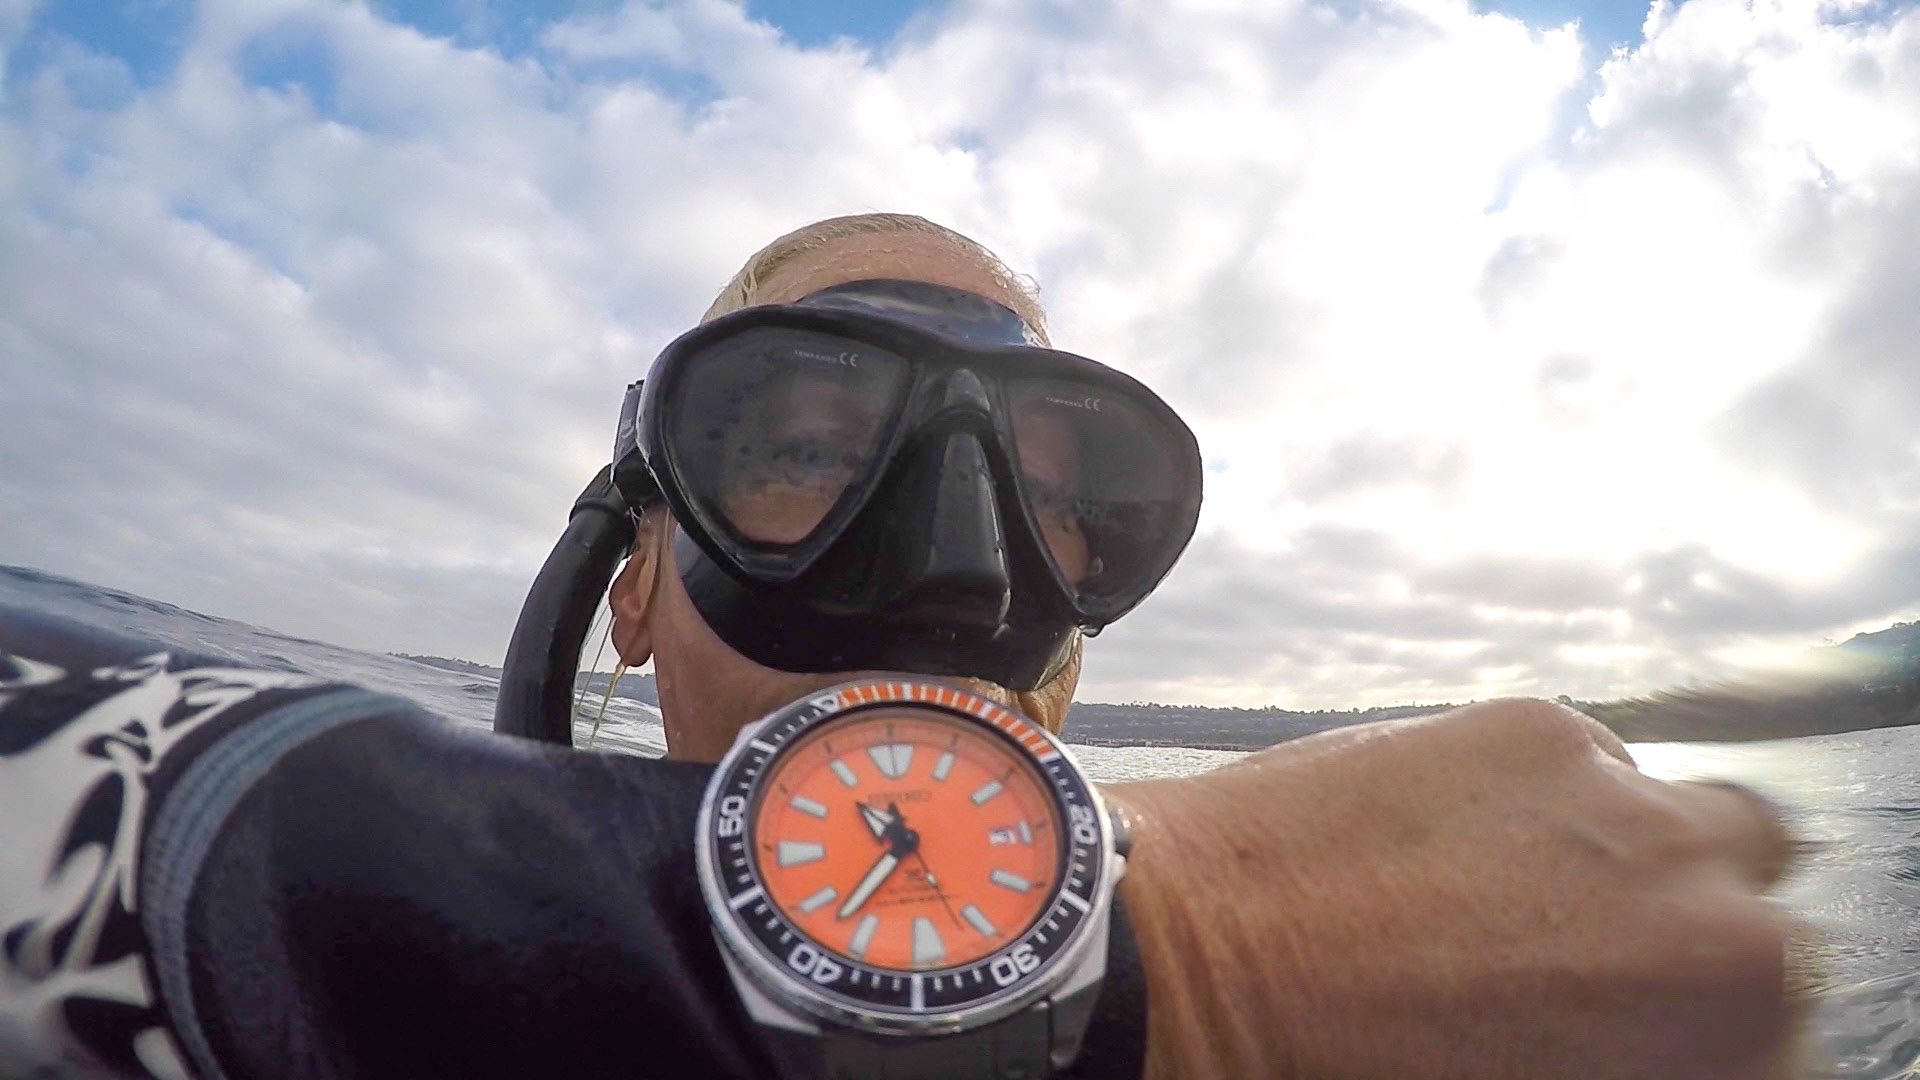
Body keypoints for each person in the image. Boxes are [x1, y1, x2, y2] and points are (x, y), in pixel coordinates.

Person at [0, 213, 1812, 1080]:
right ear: (627, 581)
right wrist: (1178, 960)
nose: (958, 577)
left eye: (1057, 500)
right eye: (798, 450)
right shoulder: (1223, 1003)